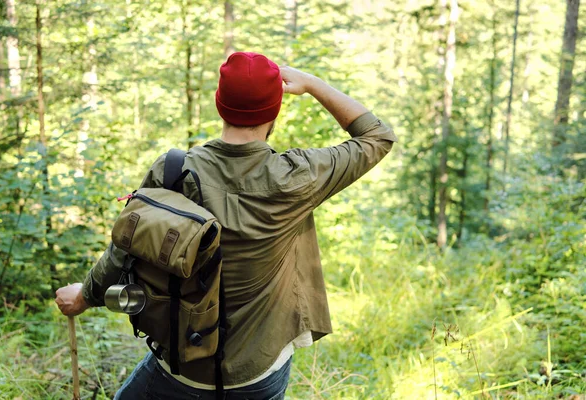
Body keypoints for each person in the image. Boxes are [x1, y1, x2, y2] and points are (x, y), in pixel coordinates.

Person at [55, 51, 397, 400]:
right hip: (259, 370)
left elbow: (124, 250)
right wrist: (311, 84)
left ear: (220, 105)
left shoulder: (173, 171)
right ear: (275, 111)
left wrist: (84, 296)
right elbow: (377, 136)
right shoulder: (297, 177)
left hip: (181, 369)